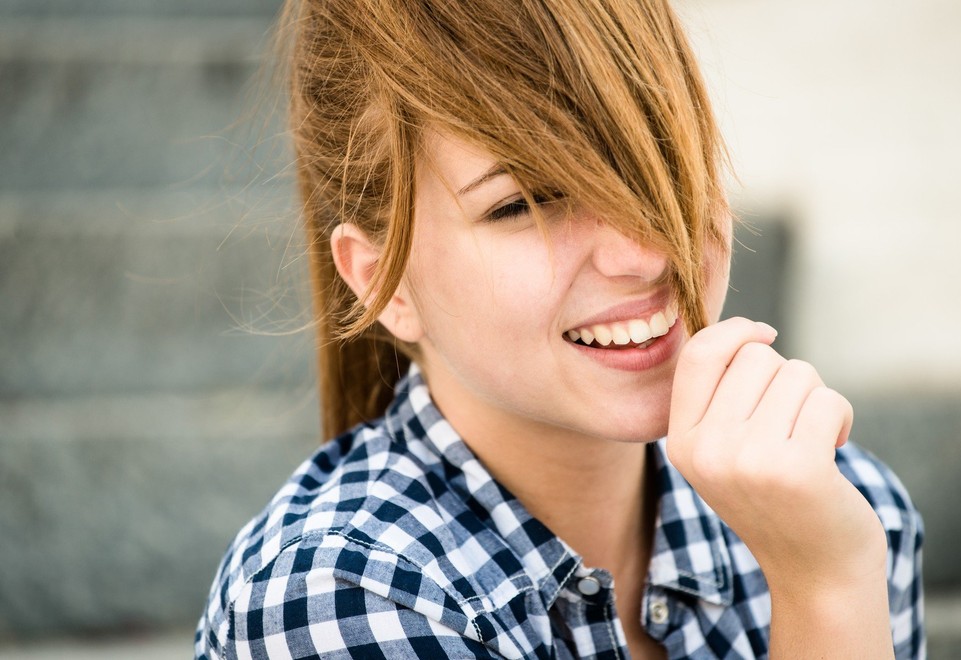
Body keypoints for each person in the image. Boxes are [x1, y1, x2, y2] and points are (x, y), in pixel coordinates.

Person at [195, 0, 924, 657]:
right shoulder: (339, 596)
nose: (642, 252)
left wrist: (828, 568)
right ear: (382, 281)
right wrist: (823, 592)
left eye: (655, 156)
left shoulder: (838, 506)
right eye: (524, 203)